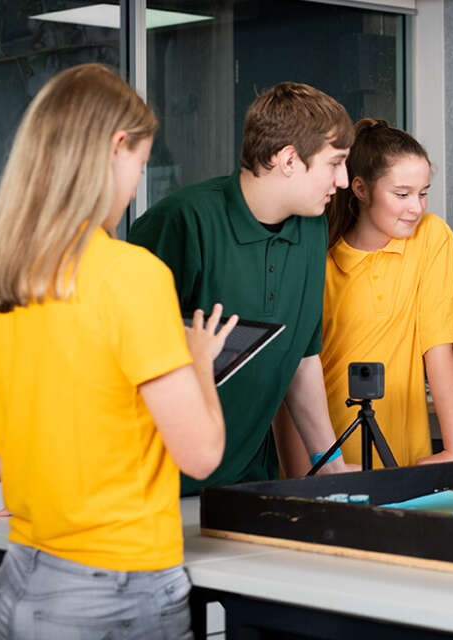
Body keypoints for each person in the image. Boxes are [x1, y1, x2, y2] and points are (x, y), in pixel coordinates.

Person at [0, 63, 233, 638]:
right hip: (115, 591)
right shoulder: (130, 276)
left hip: (19, 583)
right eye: (139, 164)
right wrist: (200, 362)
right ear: (114, 146)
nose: (135, 187)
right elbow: (201, 456)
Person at [129, 82, 354, 489]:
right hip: (154, 485)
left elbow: (301, 356)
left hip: (247, 483)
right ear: (288, 159)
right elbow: (116, 360)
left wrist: (330, 462)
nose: (343, 181)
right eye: (335, 163)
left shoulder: (313, 227)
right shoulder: (182, 222)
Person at [277, 118, 453, 470]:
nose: (416, 208)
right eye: (401, 194)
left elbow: (440, 348)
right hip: (324, 454)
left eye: (423, 193)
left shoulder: (432, 238)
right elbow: (289, 373)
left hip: (401, 456)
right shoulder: (315, 252)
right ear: (360, 188)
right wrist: (304, 476)